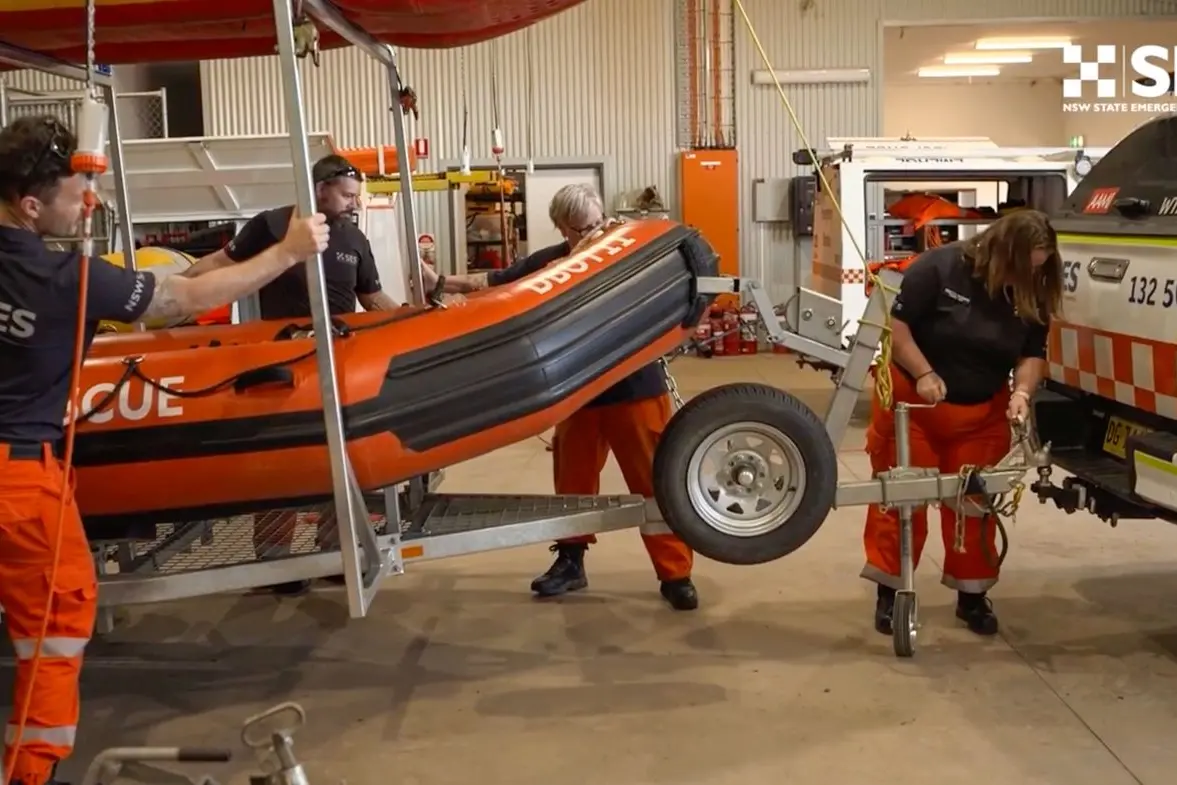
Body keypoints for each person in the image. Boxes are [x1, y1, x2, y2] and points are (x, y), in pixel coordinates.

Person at [0, 115, 328, 785]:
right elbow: (182, 299)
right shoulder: (67, 278)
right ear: (30, 204)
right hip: (18, 480)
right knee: (57, 622)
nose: (89, 201)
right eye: (76, 189)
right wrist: (287, 251)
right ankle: (31, 774)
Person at [420, 184, 698, 611]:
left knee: (654, 481)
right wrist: (437, 281)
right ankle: (571, 561)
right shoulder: (550, 263)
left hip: (635, 389)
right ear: (563, 228)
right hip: (578, 392)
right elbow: (496, 281)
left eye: (597, 223)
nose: (594, 234)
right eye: (583, 228)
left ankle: (675, 573)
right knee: (572, 483)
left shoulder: (627, 253)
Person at [182, 153, 402, 596]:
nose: (354, 203)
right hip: (282, 365)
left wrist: (412, 324)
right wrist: (174, 287)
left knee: (339, 462)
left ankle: (333, 554)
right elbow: (222, 263)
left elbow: (372, 296)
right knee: (282, 460)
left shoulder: (354, 237)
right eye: (347, 195)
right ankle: (274, 561)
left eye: (356, 196)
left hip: (339, 362)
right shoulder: (272, 225)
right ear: (319, 188)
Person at [861, 210, 1062, 637]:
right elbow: (896, 328)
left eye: (1038, 268)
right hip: (913, 408)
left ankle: (971, 598)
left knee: (974, 507)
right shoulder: (940, 267)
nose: (1028, 276)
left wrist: (1023, 393)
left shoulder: (1032, 290)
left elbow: (1032, 353)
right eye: (1024, 266)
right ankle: (891, 594)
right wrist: (924, 373)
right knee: (901, 502)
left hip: (982, 414)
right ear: (1000, 252)